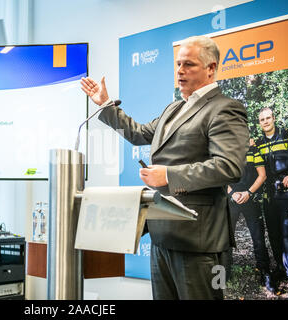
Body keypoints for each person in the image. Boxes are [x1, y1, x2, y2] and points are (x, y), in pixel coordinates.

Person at [81, 35, 249, 300]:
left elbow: (229, 167)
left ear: (211, 68)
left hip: (199, 242)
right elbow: (138, 133)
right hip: (162, 235)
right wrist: (105, 104)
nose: (180, 71)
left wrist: (168, 175)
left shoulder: (225, 108)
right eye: (178, 64)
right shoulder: (174, 108)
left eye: (189, 65)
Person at [255, 107, 288, 299]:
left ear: (274, 118)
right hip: (268, 197)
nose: (265, 121)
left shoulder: (287, 135)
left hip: (287, 195)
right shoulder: (259, 143)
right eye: (262, 119)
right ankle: (280, 270)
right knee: (274, 236)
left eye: (268, 118)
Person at [225, 138, 274, 292]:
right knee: (225, 238)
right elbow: (220, 177)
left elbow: (262, 175)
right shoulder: (227, 151)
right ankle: (223, 274)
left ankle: (265, 272)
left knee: (258, 237)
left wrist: (249, 192)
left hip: (250, 199)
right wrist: (232, 194)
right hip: (231, 199)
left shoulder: (254, 150)